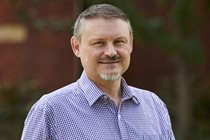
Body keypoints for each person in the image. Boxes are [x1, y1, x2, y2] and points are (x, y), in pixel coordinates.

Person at [21, 4, 175, 140]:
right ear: (76, 47)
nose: (110, 52)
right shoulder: (50, 111)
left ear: (131, 44)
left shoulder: (154, 106)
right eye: (99, 43)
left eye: (119, 42)